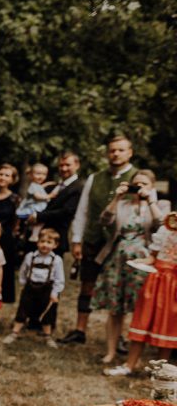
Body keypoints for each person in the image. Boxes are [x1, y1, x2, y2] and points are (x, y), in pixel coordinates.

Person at [59, 135, 136, 344]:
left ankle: (118, 336)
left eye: (121, 150)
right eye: (112, 150)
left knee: (119, 289)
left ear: (130, 152)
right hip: (93, 239)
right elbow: (82, 211)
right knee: (87, 284)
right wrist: (77, 240)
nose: (116, 154)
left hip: (122, 243)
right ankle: (80, 330)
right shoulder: (94, 178)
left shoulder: (138, 178)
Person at [90, 170, 169, 364]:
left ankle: (137, 355)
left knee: (142, 309)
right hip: (117, 261)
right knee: (115, 309)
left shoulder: (161, 205)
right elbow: (104, 221)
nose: (139, 188)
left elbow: (164, 227)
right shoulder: (123, 204)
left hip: (145, 265)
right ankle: (111, 350)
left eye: (144, 184)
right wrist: (117, 197)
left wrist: (150, 202)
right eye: (136, 184)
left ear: (152, 186)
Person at [105, 211, 177, 376]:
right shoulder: (165, 229)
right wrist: (141, 261)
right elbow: (153, 257)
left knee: (167, 325)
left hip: (173, 284)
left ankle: (160, 370)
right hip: (156, 280)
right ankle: (130, 364)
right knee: (143, 320)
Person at [3, 228, 66, 347]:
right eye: (42, 241)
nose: (44, 245)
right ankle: (15, 332)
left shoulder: (56, 260)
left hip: (47, 290)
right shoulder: (30, 256)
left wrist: (55, 292)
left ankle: (47, 336)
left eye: (49, 242)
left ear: (55, 245)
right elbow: (23, 271)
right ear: (37, 242)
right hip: (30, 288)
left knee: (47, 313)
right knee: (23, 309)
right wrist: (23, 283)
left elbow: (59, 279)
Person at [25, 151, 84, 256]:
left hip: (55, 241)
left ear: (77, 165)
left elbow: (66, 212)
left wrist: (38, 216)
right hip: (38, 238)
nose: (64, 168)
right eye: (61, 165)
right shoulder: (54, 186)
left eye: (67, 165)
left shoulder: (79, 187)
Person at [0, 163, 19, 304]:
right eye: (0, 174)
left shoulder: (15, 199)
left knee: (0, 274)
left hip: (5, 241)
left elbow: (16, 223)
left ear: (12, 179)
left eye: (7, 175)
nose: (3, 177)